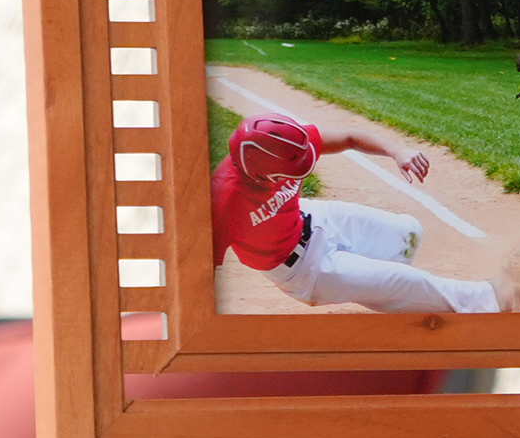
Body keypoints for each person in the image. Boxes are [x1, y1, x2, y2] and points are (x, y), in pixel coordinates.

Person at [211, 111, 499, 316]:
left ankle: (383, 289)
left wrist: (397, 151)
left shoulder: (285, 143)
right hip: (303, 271)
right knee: (405, 281)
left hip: (315, 217)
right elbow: (197, 272)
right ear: (260, 171)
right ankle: (489, 299)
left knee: (409, 232)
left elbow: (349, 137)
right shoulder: (223, 200)